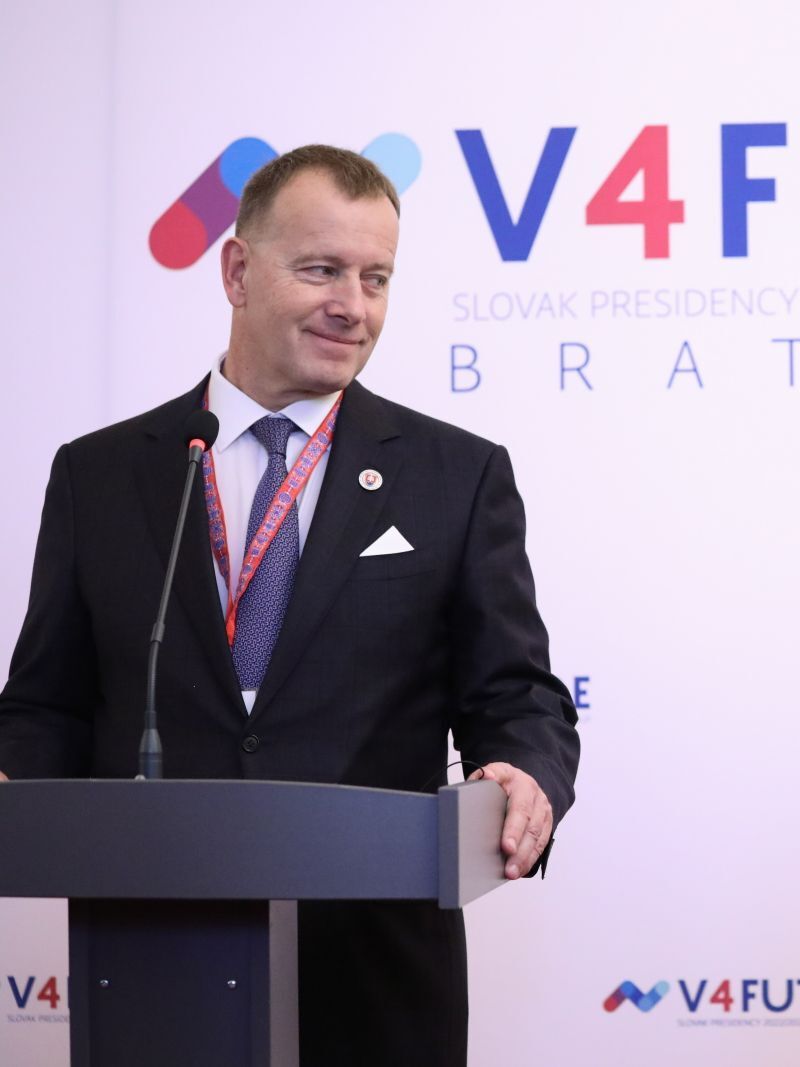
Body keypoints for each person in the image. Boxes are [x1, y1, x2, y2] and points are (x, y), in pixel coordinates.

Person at [0, 145, 580, 1066]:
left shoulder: (457, 475)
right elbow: (46, 705)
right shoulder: (100, 474)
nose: (354, 305)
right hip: (156, 971)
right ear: (237, 271)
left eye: (376, 278)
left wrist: (525, 770)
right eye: (321, 270)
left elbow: (518, 696)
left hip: (377, 981)